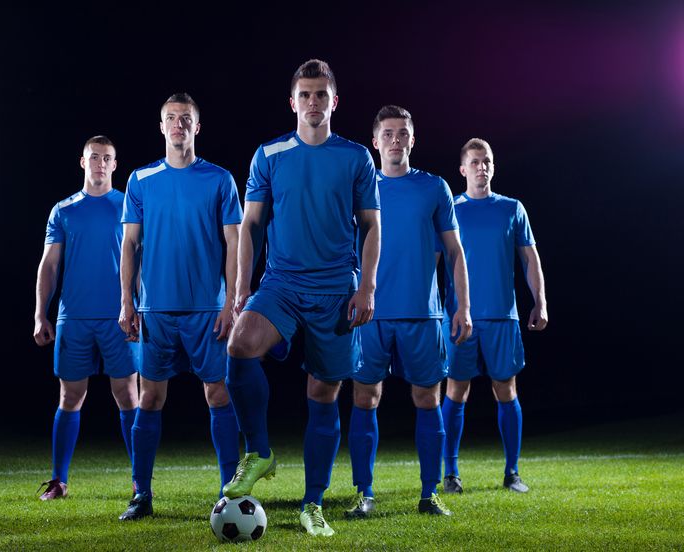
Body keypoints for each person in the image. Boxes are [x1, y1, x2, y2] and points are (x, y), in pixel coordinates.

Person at [223, 59, 381, 537]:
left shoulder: (356, 157)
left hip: (336, 289)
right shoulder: (268, 154)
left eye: (321, 95)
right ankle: (260, 451)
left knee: (323, 393)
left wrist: (367, 285)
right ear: (292, 102)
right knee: (238, 345)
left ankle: (313, 504)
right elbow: (250, 225)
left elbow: (372, 227)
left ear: (335, 101)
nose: (313, 102)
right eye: (305, 95)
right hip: (282, 284)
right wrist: (240, 286)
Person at [117, 93, 242, 520]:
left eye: (185, 118)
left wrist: (232, 302)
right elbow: (130, 245)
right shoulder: (140, 179)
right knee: (149, 398)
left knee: (218, 393)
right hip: (155, 311)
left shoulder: (220, 179)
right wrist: (127, 302)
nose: (178, 124)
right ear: (161, 126)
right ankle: (141, 495)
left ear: (196, 127)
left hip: (208, 309)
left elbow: (234, 243)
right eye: (171, 118)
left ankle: (230, 493)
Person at [345, 106, 472, 519]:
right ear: (376, 141)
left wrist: (463, 306)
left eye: (403, 133)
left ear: (412, 140)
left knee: (426, 398)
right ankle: (364, 493)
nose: (395, 140)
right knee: (365, 397)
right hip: (370, 313)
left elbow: (454, 252)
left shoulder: (434, 187)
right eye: (388, 133)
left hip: (423, 313)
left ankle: (429, 493)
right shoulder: (360, 188)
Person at [33, 135, 139, 501]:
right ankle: (59, 480)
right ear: (82, 162)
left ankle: (140, 482)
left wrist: (142, 307)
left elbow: (139, 262)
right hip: (73, 317)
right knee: (70, 396)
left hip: (120, 318)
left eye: (106, 158)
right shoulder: (63, 210)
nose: (99, 163)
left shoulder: (128, 205)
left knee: (128, 394)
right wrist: (39, 314)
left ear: (114, 164)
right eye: (94, 157)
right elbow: (49, 264)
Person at [440, 138, 548, 494]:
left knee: (506, 389)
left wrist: (540, 302)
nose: (481, 167)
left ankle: (512, 472)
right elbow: (432, 260)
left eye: (486, 161)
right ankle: (451, 474)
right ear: (463, 169)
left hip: (503, 316)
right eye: (474, 162)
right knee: (455, 390)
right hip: (459, 317)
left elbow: (530, 259)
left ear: (493, 166)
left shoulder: (512, 209)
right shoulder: (450, 210)